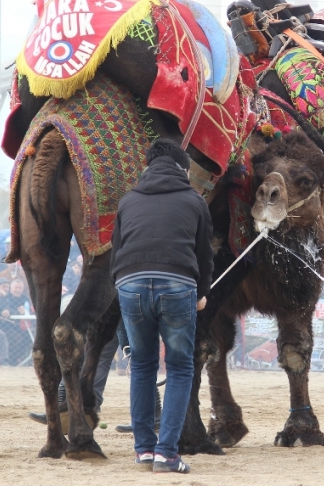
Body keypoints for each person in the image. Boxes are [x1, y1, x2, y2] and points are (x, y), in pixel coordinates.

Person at [111, 138, 213, 473]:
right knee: (181, 367)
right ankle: (166, 453)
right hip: (177, 285)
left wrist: (124, 288)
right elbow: (204, 255)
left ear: (148, 167)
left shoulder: (128, 201)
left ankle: (143, 449)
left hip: (130, 284)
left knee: (141, 365)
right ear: (184, 169)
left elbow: (116, 252)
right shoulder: (195, 201)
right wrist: (201, 293)